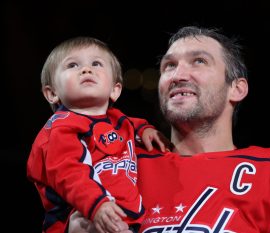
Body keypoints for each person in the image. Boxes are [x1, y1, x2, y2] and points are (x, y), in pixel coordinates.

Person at [70, 26, 270, 233]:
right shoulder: (117, 165)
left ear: (236, 88)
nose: (177, 75)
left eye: (199, 61)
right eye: (169, 66)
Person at [27, 36, 169, 233]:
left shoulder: (116, 120)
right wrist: (97, 205)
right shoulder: (60, 129)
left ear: (115, 89)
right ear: (52, 93)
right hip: (80, 217)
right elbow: (69, 174)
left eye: (96, 63)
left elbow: (130, 123)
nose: (86, 69)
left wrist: (145, 129)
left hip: (121, 218)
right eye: (73, 65)